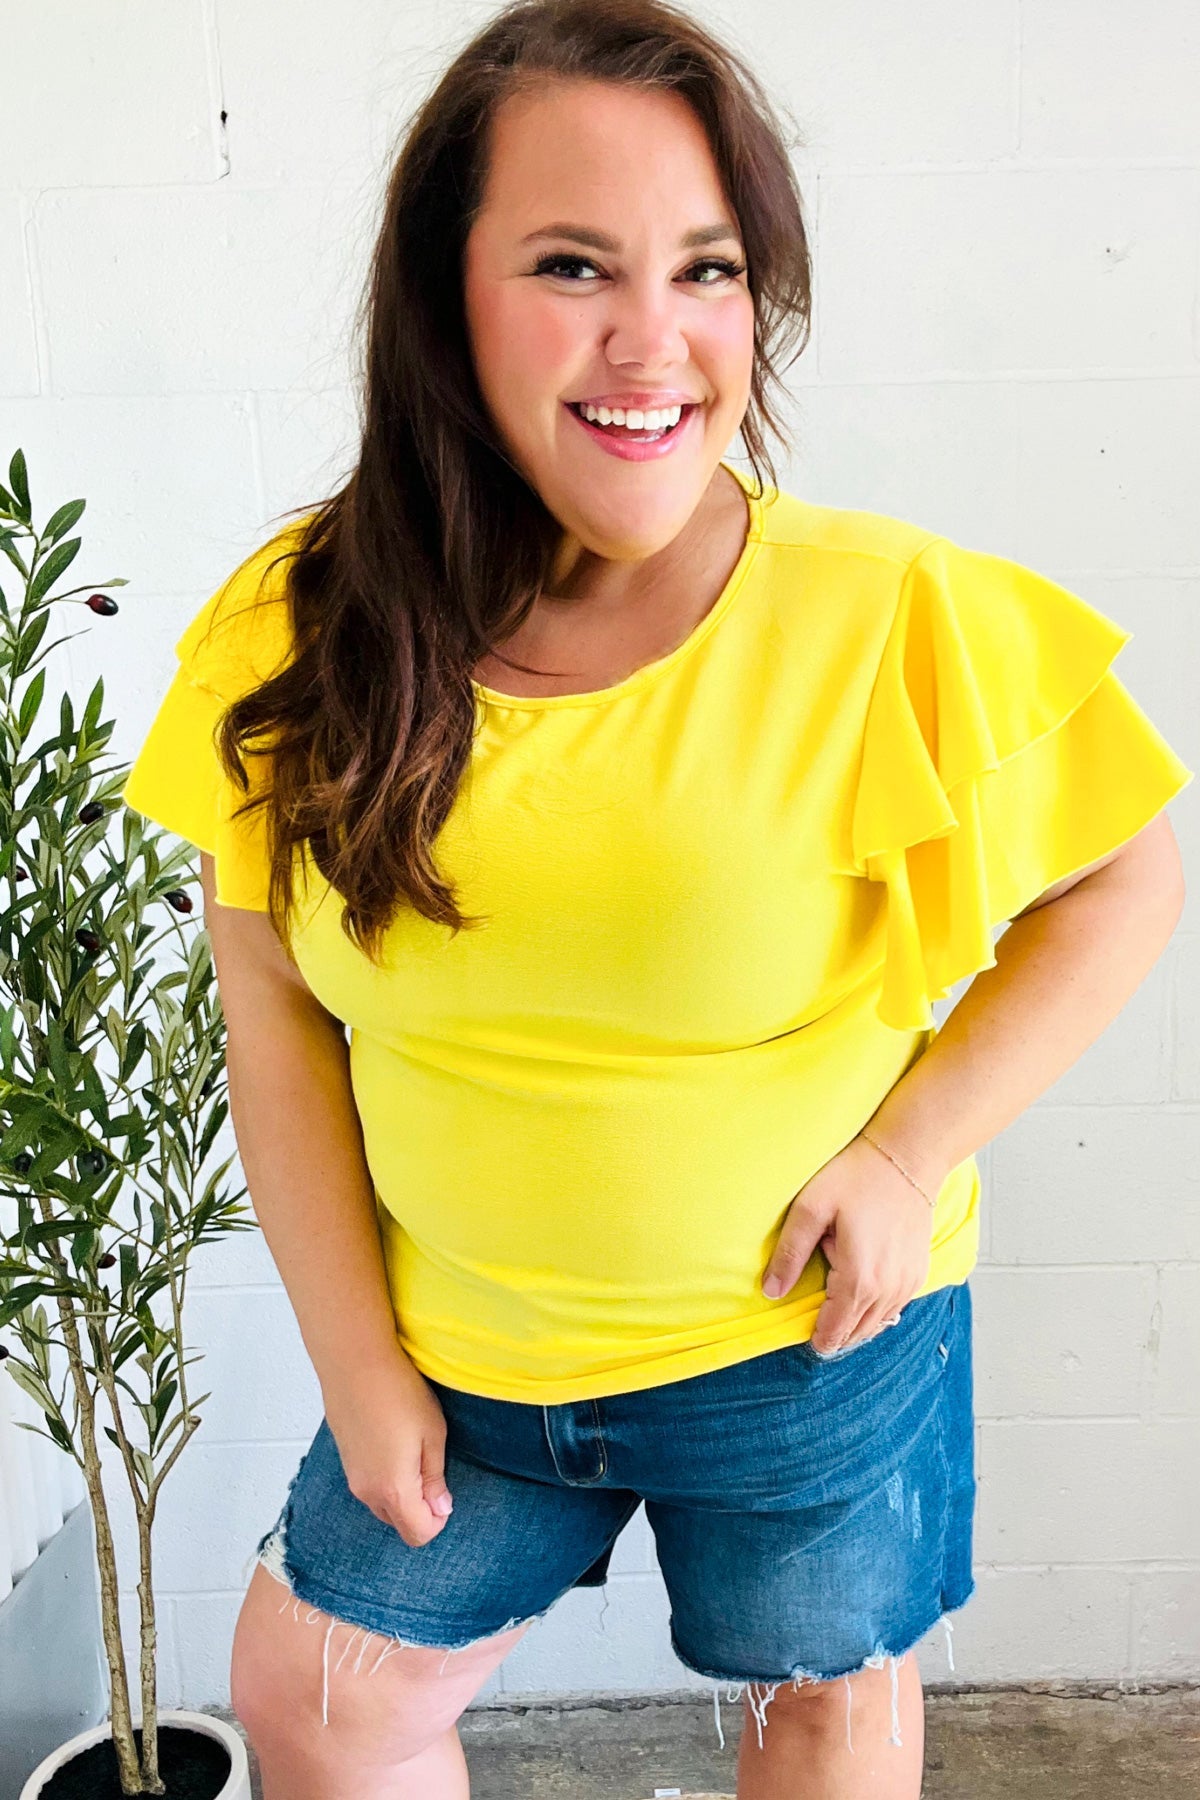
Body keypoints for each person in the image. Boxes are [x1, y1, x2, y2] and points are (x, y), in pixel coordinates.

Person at [121, 2, 1193, 1796]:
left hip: (807, 1360)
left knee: (822, 1717)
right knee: (317, 1699)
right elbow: (273, 1011)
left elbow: (1126, 876)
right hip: (462, 1357)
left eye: (707, 269)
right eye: (572, 265)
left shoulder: (890, 617)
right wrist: (357, 1365)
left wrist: (907, 1156)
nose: (655, 340)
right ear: (444, 297)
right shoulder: (299, 627)